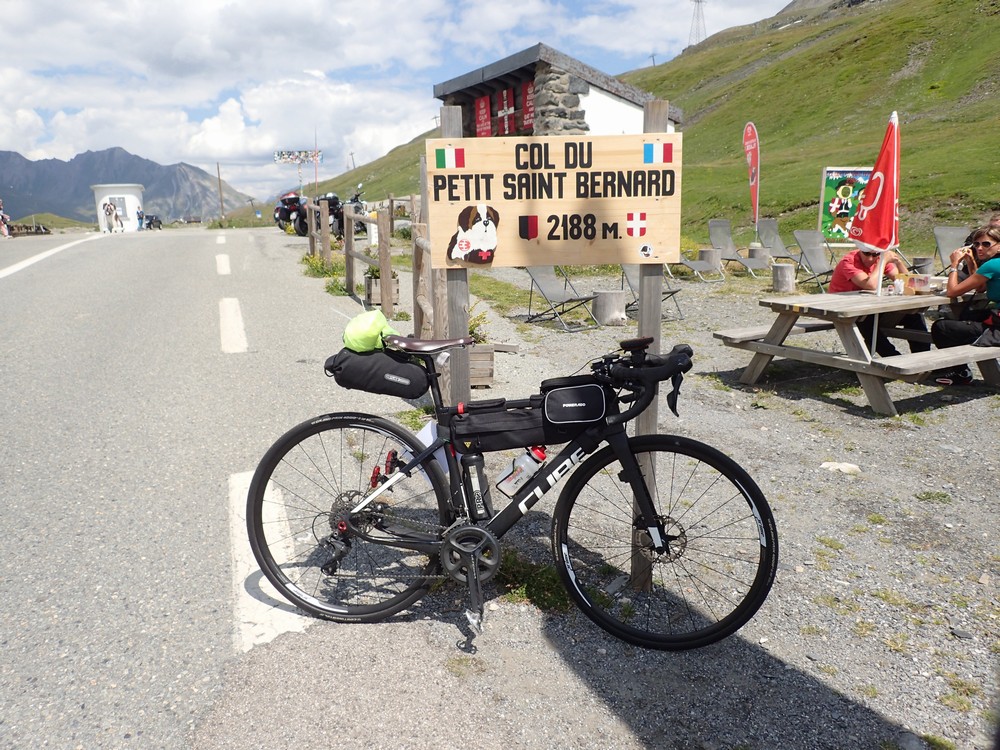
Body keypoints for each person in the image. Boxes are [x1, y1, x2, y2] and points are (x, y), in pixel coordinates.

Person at [828, 246, 930, 357]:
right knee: (866, 321)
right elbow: (870, 285)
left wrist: (898, 262)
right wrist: (882, 262)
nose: (871, 258)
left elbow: (912, 284)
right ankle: (893, 358)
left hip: (867, 306)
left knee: (913, 315)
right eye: (866, 254)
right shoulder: (849, 261)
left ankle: (923, 357)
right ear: (860, 250)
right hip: (842, 308)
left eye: (875, 254)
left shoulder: (881, 259)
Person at [931, 225, 1000, 385]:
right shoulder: (992, 265)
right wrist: (970, 261)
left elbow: (952, 292)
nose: (979, 248)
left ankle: (958, 371)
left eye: (986, 244)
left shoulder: (992, 265)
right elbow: (981, 286)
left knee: (941, 327)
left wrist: (954, 265)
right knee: (967, 316)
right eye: (976, 245)